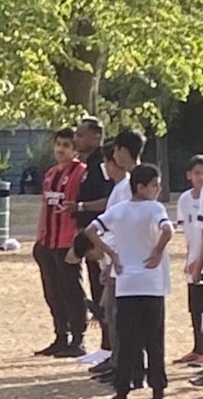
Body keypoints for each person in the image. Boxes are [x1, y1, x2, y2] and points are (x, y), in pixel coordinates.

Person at [90, 162, 173, 399]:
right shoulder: (154, 208)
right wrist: (157, 251)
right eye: (154, 185)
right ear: (141, 187)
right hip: (151, 283)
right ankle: (158, 390)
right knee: (154, 340)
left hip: (127, 284)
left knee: (127, 341)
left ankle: (122, 391)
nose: (158, 189)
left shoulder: (119, 210)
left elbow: (91, 230)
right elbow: (167, 229)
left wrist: (112, 255)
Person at [84, 126, 146, 384]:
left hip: (130, 261)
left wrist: (113, 260)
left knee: (130, 319)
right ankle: (122, 364)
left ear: (122, 151)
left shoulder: (135, 182)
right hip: (119, 259)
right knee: (118, 317)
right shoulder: (123, 185)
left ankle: (133, 370)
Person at [32, 129, 88, 357]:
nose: (60, 149)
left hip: (67, 241)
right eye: (58, 144)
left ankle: (78, 338)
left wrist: (78, 239)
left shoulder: (81, 173)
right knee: (52, 292)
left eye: (66, 145)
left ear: (75, 150)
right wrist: (39, 238)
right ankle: (60, 335)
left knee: (71, 290)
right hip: (48, 241)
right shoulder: (50, 174)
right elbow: (45, 206)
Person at [67, 116, 114, 352]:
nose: (76, 139)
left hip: (102, 237)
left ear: (96, 137)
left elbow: (109, 198)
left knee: (103, 288)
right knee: (96, 288)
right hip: (89, 236)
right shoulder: (87, 164)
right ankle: (105, 347)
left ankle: (109, 345)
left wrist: (81, 207)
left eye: (81, 135)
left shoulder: (103, 164)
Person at [173, 153, 203, 368]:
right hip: (194, 258)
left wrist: (199, 262)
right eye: (197, 173)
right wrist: (190, 258)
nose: (201, 178)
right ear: (188, 175)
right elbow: (188, 233)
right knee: (194, 307)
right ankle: (197, 348)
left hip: (200, 261)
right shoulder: (184, 200)